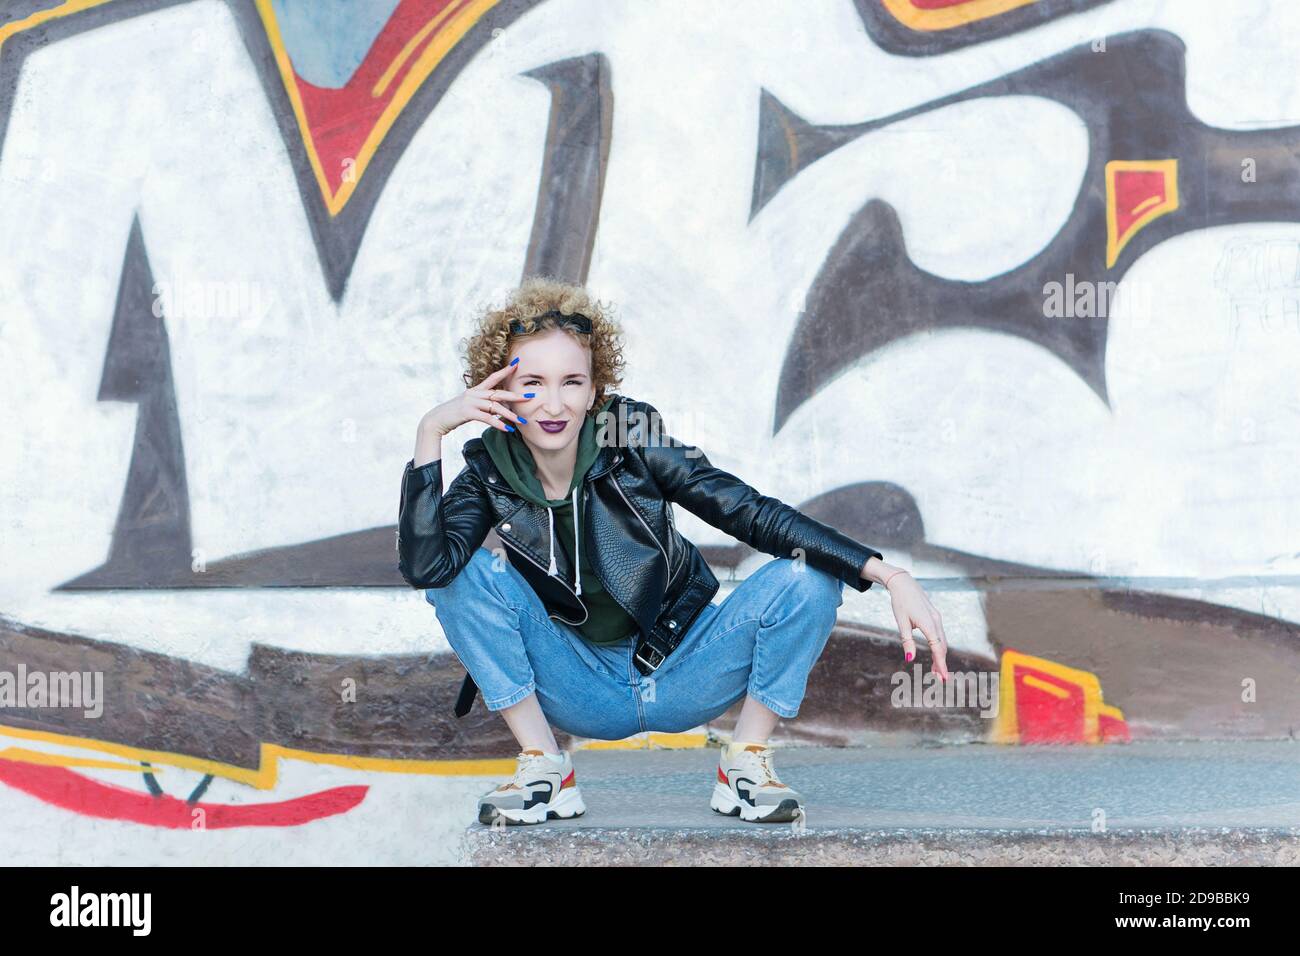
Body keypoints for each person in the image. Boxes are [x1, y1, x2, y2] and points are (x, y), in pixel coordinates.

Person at [398, 276, 949, 825]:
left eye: (572, 382)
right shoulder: (488, 471)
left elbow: (746, 510)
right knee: (463, 573)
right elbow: (429, 568)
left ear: (595, 391)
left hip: (682, 665)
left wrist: (886, 573)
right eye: (532, 382)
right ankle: (544, 766)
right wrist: (431, 431)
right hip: (579, 682)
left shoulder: (630, 435)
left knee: (810, 578)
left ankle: (745, 763)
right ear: (498, 388)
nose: (554, 403)